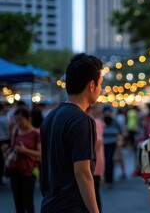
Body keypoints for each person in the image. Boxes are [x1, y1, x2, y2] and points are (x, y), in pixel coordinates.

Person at [40, 53, 103, 213]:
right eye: (100, 84)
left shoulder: (51, 116)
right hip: (71, 206)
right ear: (91, 85)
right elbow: (82, 172)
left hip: (49, 204)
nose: (100, 89)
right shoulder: (82, 120)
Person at [4, 107, 41, 213]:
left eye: (20, 119)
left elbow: (40, 155)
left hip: (29, 172)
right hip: (15, 171)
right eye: (16, 120)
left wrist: (25, 150)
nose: (18, 122)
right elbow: (12, 148)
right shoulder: (15, 132)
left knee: (28, 202)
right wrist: (6, 150)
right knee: (18, 202)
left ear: (28, 118)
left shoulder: (35, 134)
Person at [87, 103, 105, 212]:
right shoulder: (94, 121)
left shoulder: (94, 121)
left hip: (94, 162)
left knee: (93, 194)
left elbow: (97, 142)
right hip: (95, 161)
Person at [102, 105, 122, 188]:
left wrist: (119, 143)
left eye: (108, 111)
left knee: (110, 161)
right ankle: (105, 179)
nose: (107, 113)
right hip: (103, 144)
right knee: (105, 162)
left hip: (112, 144)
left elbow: (120, 133)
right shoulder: (101, 122)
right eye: (105, 111)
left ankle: (109, 180)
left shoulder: (115, 121)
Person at [0, 102, 11, 185]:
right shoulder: (6, 118)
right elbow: (9, 130)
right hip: (5, 140)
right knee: (3, 158)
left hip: (4, 139)